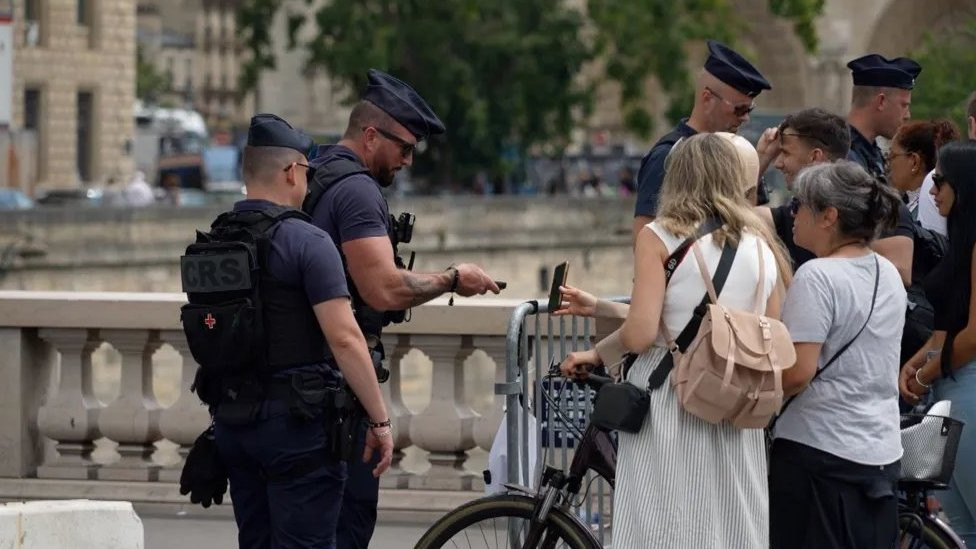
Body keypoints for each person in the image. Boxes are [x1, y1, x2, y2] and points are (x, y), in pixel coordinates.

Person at [560, 133, 791, 548]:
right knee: (730, 520)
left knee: (664, 518)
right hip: (734, 399)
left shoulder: (659, 236)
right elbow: (767, 327)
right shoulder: (761, 246)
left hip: (671, 396)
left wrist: (594, 353)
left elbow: (643, 332)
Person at [304, 69, 500, 549]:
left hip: (296, 383)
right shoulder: (356, 191)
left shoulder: (312, 170)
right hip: (334, 392)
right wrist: (453, 279)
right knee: (343, 529)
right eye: (404, 149)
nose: (408, 162)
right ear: (370, 135)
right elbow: (384, 291)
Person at [197, 114, 394, 548]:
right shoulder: (306, 241)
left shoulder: (215, 240)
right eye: (307, 171)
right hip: (296, 428)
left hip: (232, 424)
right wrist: (379, 420)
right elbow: (344, 338)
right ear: (291, 171)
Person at [770, 161, 906, 549]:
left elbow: (798, 373)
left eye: (800, 205)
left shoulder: (818, 276)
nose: (792, 214)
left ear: (829, 216)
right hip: (878, 449)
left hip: (819, 449)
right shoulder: (886, 271)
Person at [900, 140, 976, 546]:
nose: (932, 190)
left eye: (941, 181)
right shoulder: (960, 241)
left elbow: (974, 334)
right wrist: (917, 362)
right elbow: (949, 324)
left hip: (968, 388)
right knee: (960, 528)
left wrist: (927, 372)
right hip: (954, 386)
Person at [632, 39, 771, 242]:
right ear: (707, 98)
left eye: (749, 110)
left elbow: (752, 226)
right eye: (739, 109)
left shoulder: (736, 153)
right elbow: (644, 239)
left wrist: (762, 160)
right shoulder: (667, 156)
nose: (745, 118)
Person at [754, 108, 852, 267]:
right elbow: (729, 218)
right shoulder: (866, 217)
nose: (778, 163)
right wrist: (762, 157)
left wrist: (762, 158)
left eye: (785, 153)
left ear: (815, 157)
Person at [845, 53, 922, 182]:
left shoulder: (870, 153)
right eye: (903, 105)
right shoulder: (841, 156)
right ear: (881, 101)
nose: (908, 116)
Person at [917, 92, 975, 235]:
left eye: (938, 181)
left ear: (972, 126)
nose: (933, 190)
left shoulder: (944, 174)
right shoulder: (942, 178)